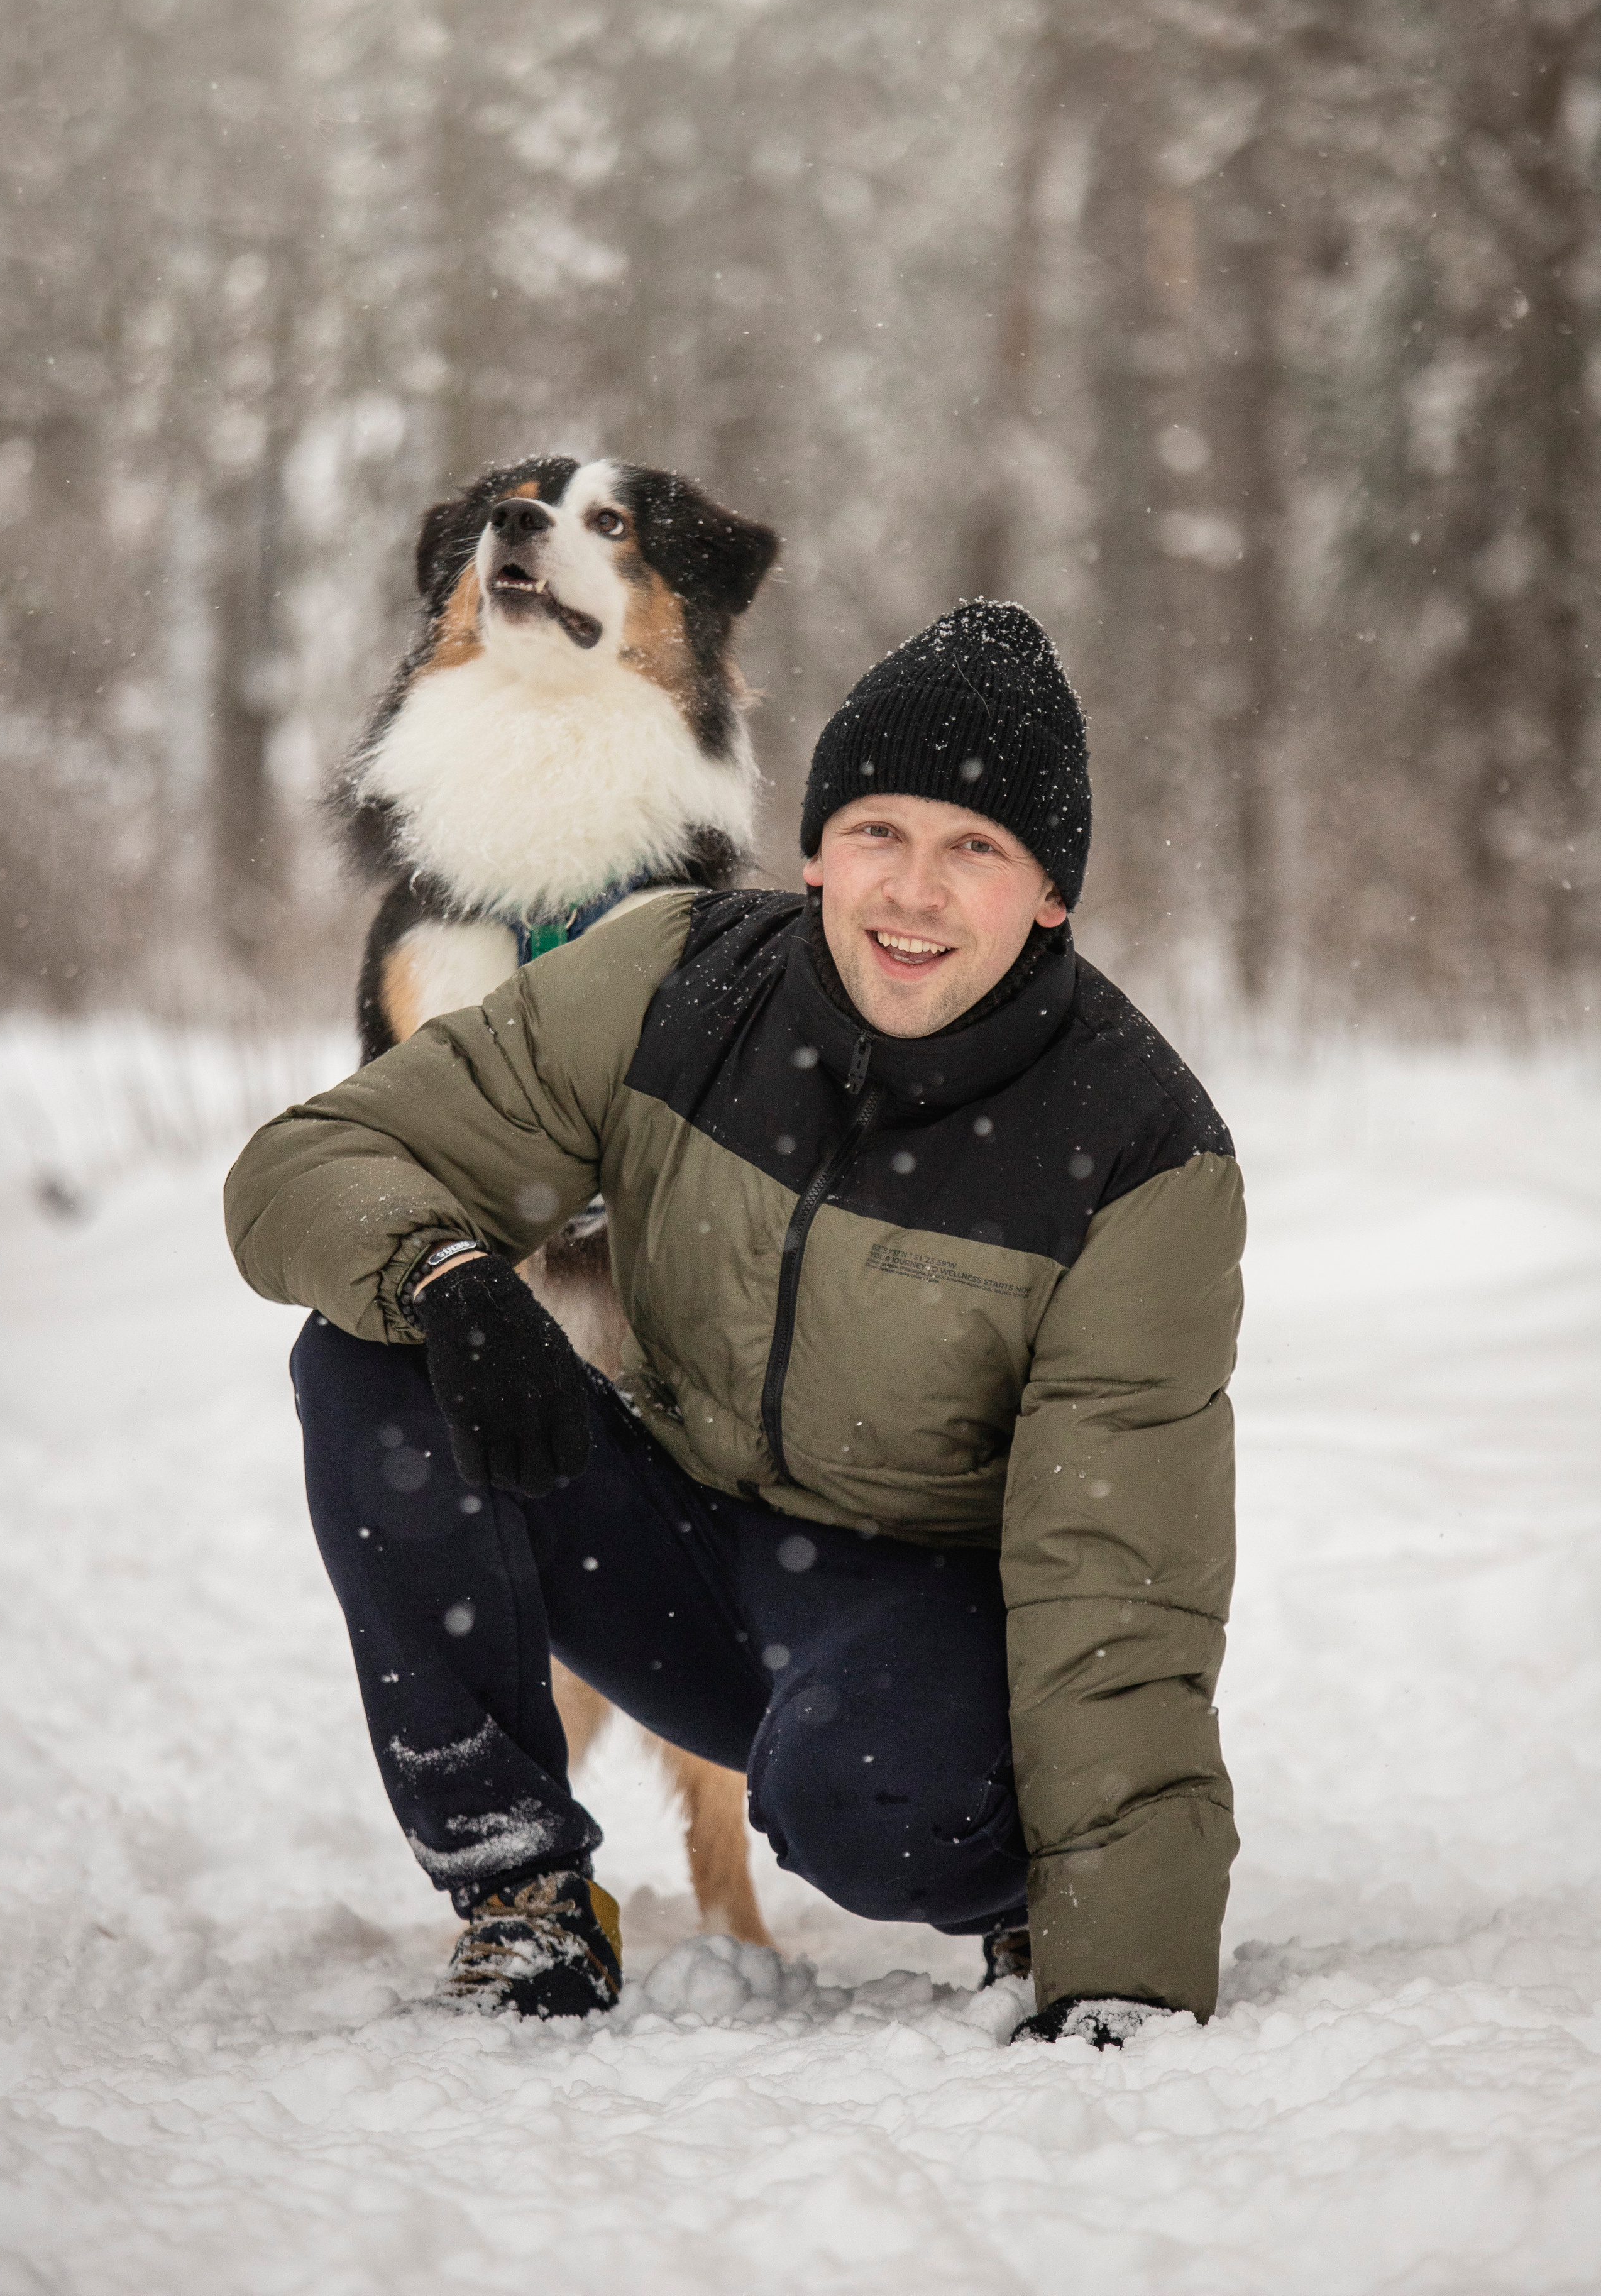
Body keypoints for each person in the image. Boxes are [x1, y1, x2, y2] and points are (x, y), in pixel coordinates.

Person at [225, 601, 1244, 2049]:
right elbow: (313, 1160)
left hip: (916, 1619)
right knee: (372, 1351)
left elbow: (1118, 1576)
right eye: (878, 832)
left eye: (975, 849)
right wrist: (445, 1273)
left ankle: (1016, 1875)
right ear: (815, 849)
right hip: (677, 1556)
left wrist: (1120, 1966)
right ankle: (520, 1898)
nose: (912, 891)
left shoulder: (1134, 1149)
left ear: (1048, 895)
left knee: (868, 1805)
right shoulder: (676, 979)